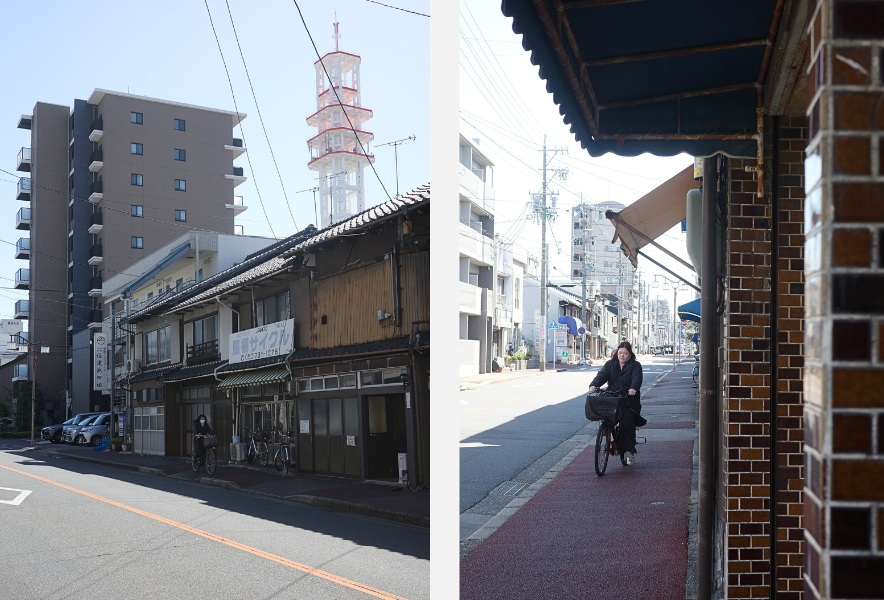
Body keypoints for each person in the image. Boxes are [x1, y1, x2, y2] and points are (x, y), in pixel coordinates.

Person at [588, 341, 644, 466]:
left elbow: (637, 378)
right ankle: (607, 433)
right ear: (616, 353)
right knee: (605, 417)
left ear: (630, 355)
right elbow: (601, 376)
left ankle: (629, 450)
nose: (622, 355)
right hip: (612, 397)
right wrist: (593, 385)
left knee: (627, 421)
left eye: (625, 353)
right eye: (620, 353)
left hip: (628, 399)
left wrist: (633, 388)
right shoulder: (610, 364)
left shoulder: (635, 365)